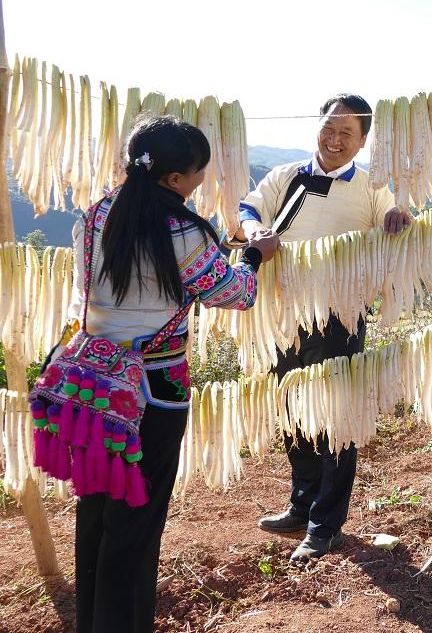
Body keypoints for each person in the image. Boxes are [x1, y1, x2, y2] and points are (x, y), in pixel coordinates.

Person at [70, 115, 278, 633]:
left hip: (92, 381)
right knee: (136, 518)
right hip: (151, 391)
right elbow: (235, 294)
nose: (202, 178)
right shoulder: (183, 229)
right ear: (174, 180)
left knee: (96, 509)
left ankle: (93, 621)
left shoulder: (97, 215)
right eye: (198, 171)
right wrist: (254, 256)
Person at [235, 94, 411, 561]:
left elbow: (395, 226)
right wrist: (254, 232)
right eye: (329, 129)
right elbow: (248, 209)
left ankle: (325, 524)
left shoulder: (373, 189)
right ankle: (301, 505)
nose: (334, 140)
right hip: (284, 310)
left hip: (339, 314)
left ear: (363, 141)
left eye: (346, 134)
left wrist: (399, 219)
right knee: (293, 408)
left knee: (336, 415)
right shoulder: (287, 176)